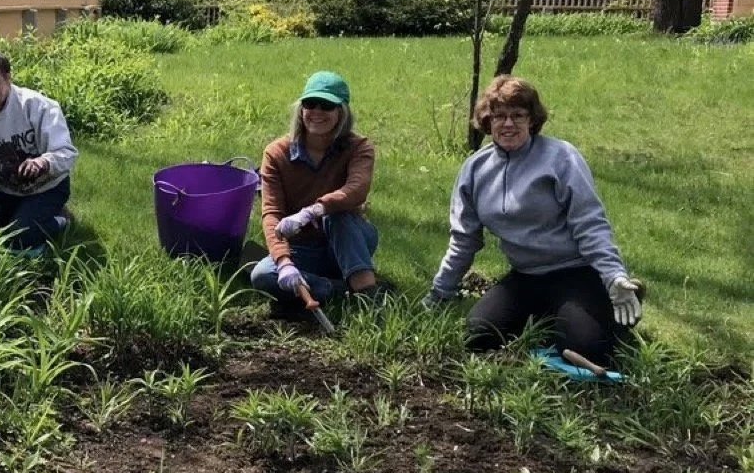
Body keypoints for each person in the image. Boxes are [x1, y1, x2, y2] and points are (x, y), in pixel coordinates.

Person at [426, 74, 643, 364]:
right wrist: (439, 293)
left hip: (576, 271)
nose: (508, 124)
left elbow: (590, 225)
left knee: (586, 349)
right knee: (477, 336)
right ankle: (554, 313)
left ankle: (614, 302)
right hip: (525, 276)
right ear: (488, 121)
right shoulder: (475, 170)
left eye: (518, 115)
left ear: (532, 120)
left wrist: (614, 274)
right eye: (499, 116)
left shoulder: (561, 158)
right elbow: (463, 240)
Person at [250, 70, 381, 309]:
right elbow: (272, 213)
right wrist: (284, 261)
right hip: (302, 248)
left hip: (347, 241)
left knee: (337, 216)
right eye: (310, 104)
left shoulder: (358, 148)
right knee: (262, 275)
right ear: (301, 110)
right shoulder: (276, 154)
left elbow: (357, 189)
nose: (317, 112)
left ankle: (367, 296)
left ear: (342, 112)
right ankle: (336, 290)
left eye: (327, 106)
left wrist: (314, 210)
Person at [0, 48, 77, 251]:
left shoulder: (38, 106)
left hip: (46, 188)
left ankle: (60, 220)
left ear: (8, 78)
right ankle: (19, 217)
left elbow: (66, 152)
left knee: (18, 238)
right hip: (4, 191)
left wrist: (43, 162)